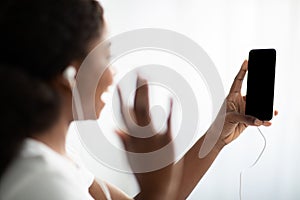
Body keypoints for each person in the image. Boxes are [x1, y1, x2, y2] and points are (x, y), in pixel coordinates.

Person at [0, 0, 277, 199]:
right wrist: (157, 189)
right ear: (69, 74)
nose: (113, 72)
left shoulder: (57, 163)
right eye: (106, 56)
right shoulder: (42, 183)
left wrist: (218, 134)